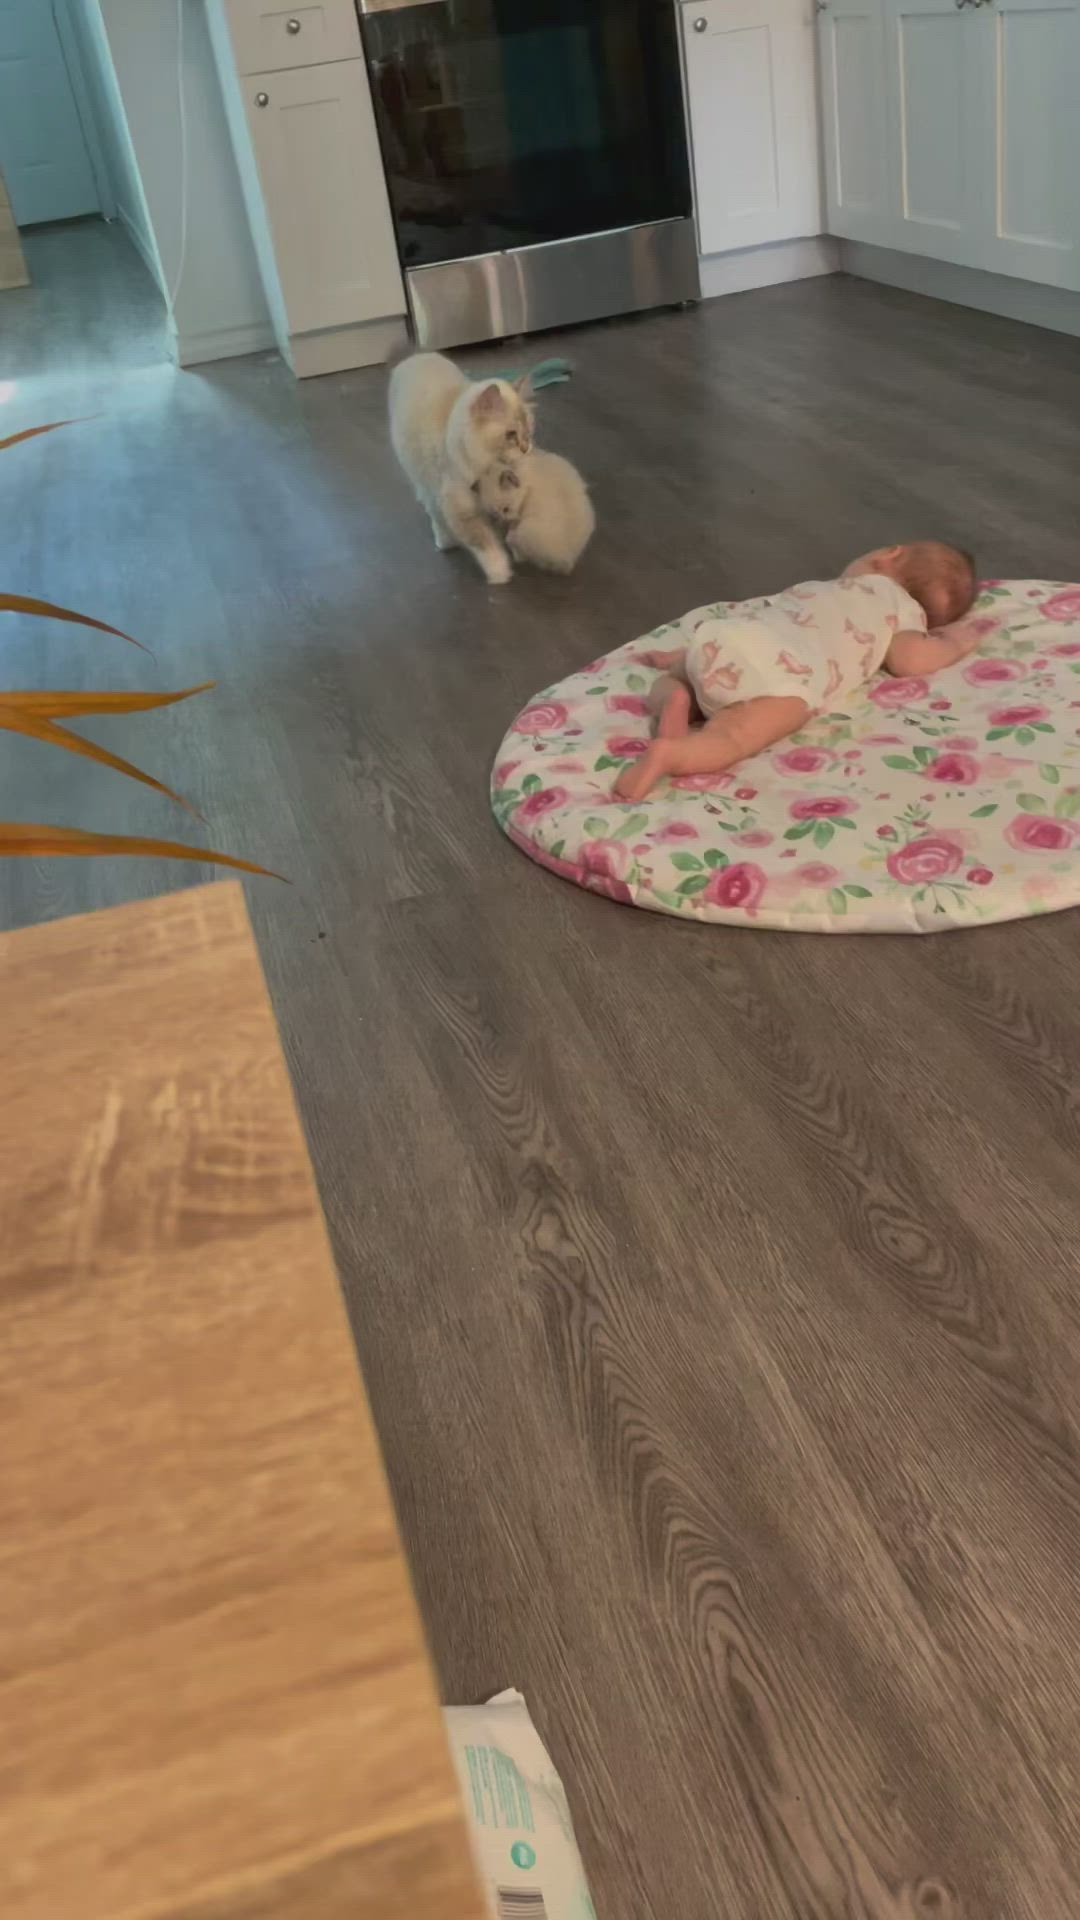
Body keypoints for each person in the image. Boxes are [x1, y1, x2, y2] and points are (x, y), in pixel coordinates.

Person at [614, 542, 978, 802]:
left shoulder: (821, 590)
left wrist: (686, 655)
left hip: (724, 640)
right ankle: (671, 755)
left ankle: (675, 697)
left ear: (888, 554)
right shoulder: (903, 612)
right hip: (779, 678)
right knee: (736, 735)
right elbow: (910, 660)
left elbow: (766, 623)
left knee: (679, 679)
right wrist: (956, 643)